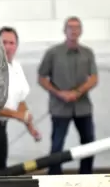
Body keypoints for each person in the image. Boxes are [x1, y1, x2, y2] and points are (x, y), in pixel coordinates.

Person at [37, 16, 98, 175]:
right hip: (59, 108)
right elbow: (42, 78)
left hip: (83, 107)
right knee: (57, 145)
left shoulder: (88, 53)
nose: (73, 30)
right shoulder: (53, 53)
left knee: (89, 143)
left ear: (81, 31)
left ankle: (86, 178)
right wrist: (60, 93)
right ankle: (54, 179)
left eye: (77, 27)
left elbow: (94, 78)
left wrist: (77, 92)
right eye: (70, 27)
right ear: (65, 30)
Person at [0, 26, 41, 176]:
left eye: (11, 43)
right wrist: (18, 116)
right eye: (4, 42)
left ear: (16, 46)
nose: (7, 47)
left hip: (2, 127)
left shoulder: (17, 66)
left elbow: (20, 100)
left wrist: (31, 127)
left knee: (1, 169)